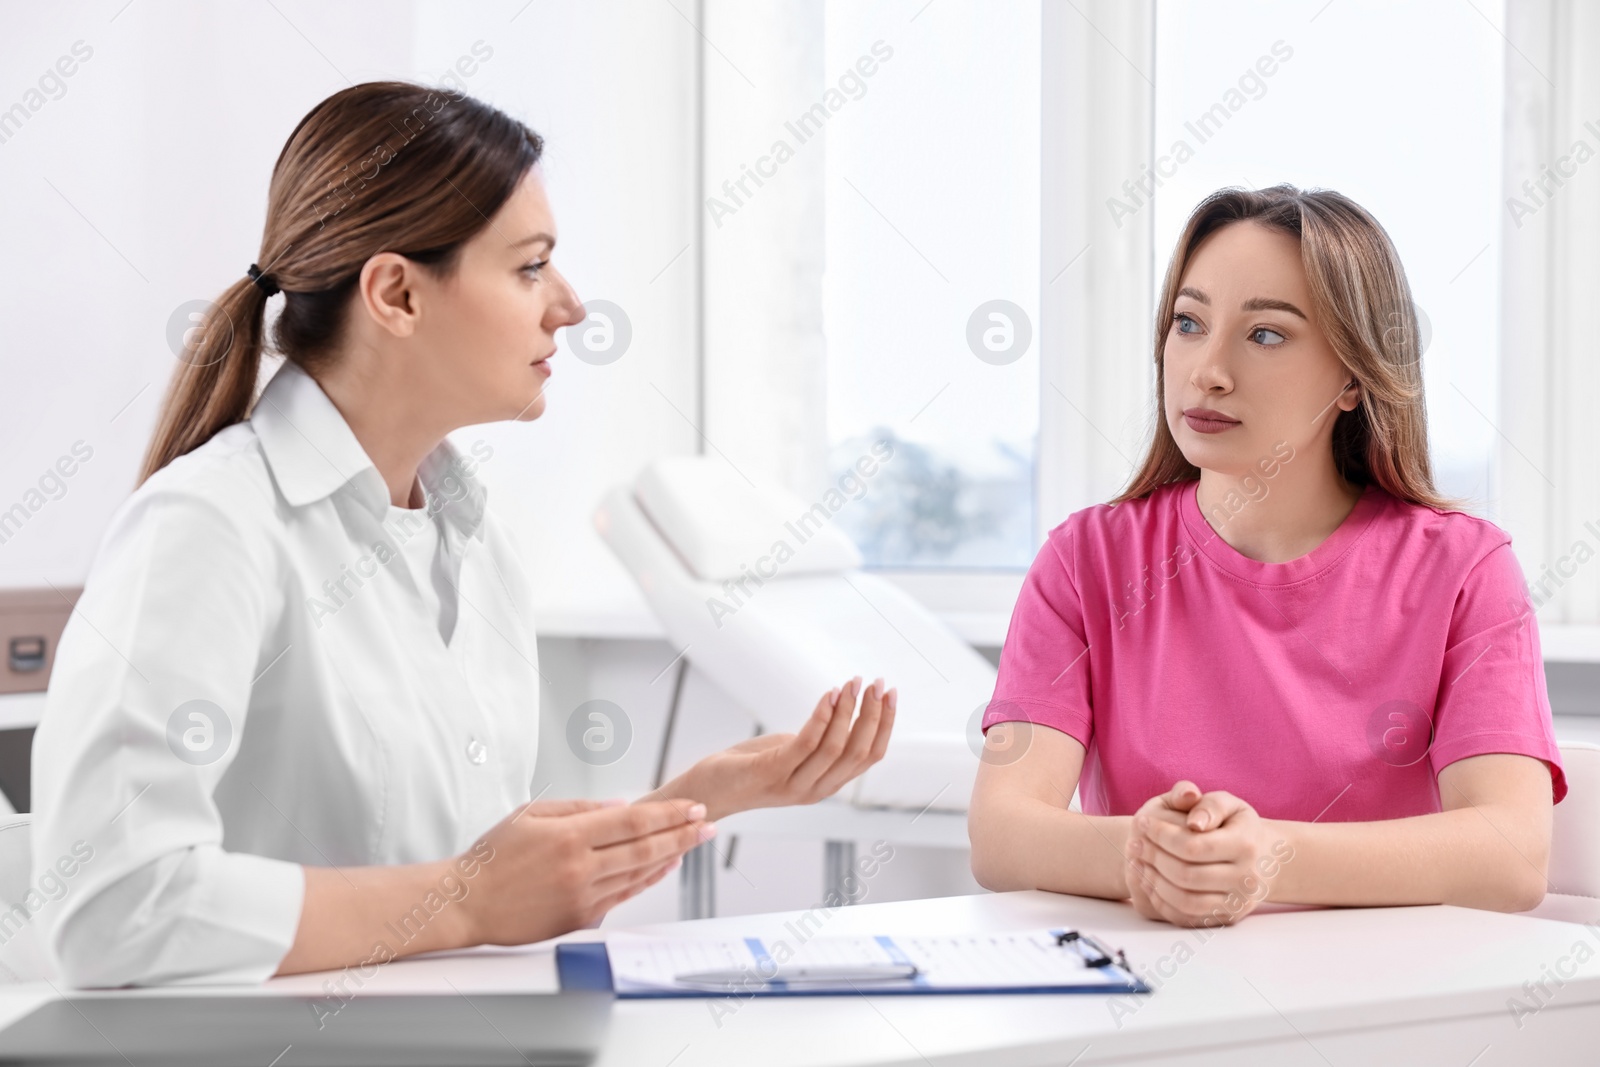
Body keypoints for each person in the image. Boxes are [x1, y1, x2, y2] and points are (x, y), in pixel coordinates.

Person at [30, 81, 897, 987]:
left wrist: (694, 800)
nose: (570, 305)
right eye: (530, 267)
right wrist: (468, 900)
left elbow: (482, 874)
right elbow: (109, 908)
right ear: (397, 294)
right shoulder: (207, 528)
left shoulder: (471, 538)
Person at [968, 185, 1564, 928]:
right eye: (1188, 323)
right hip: (1149, 1008)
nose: (1208, 370)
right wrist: (1143, 853)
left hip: (1383, 1006)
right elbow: (1001, 834)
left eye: (1266, 335)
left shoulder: (1467, 569)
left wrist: (1266, 855)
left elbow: (1511, 855)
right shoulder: (1084, 560)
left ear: (1354, 376)